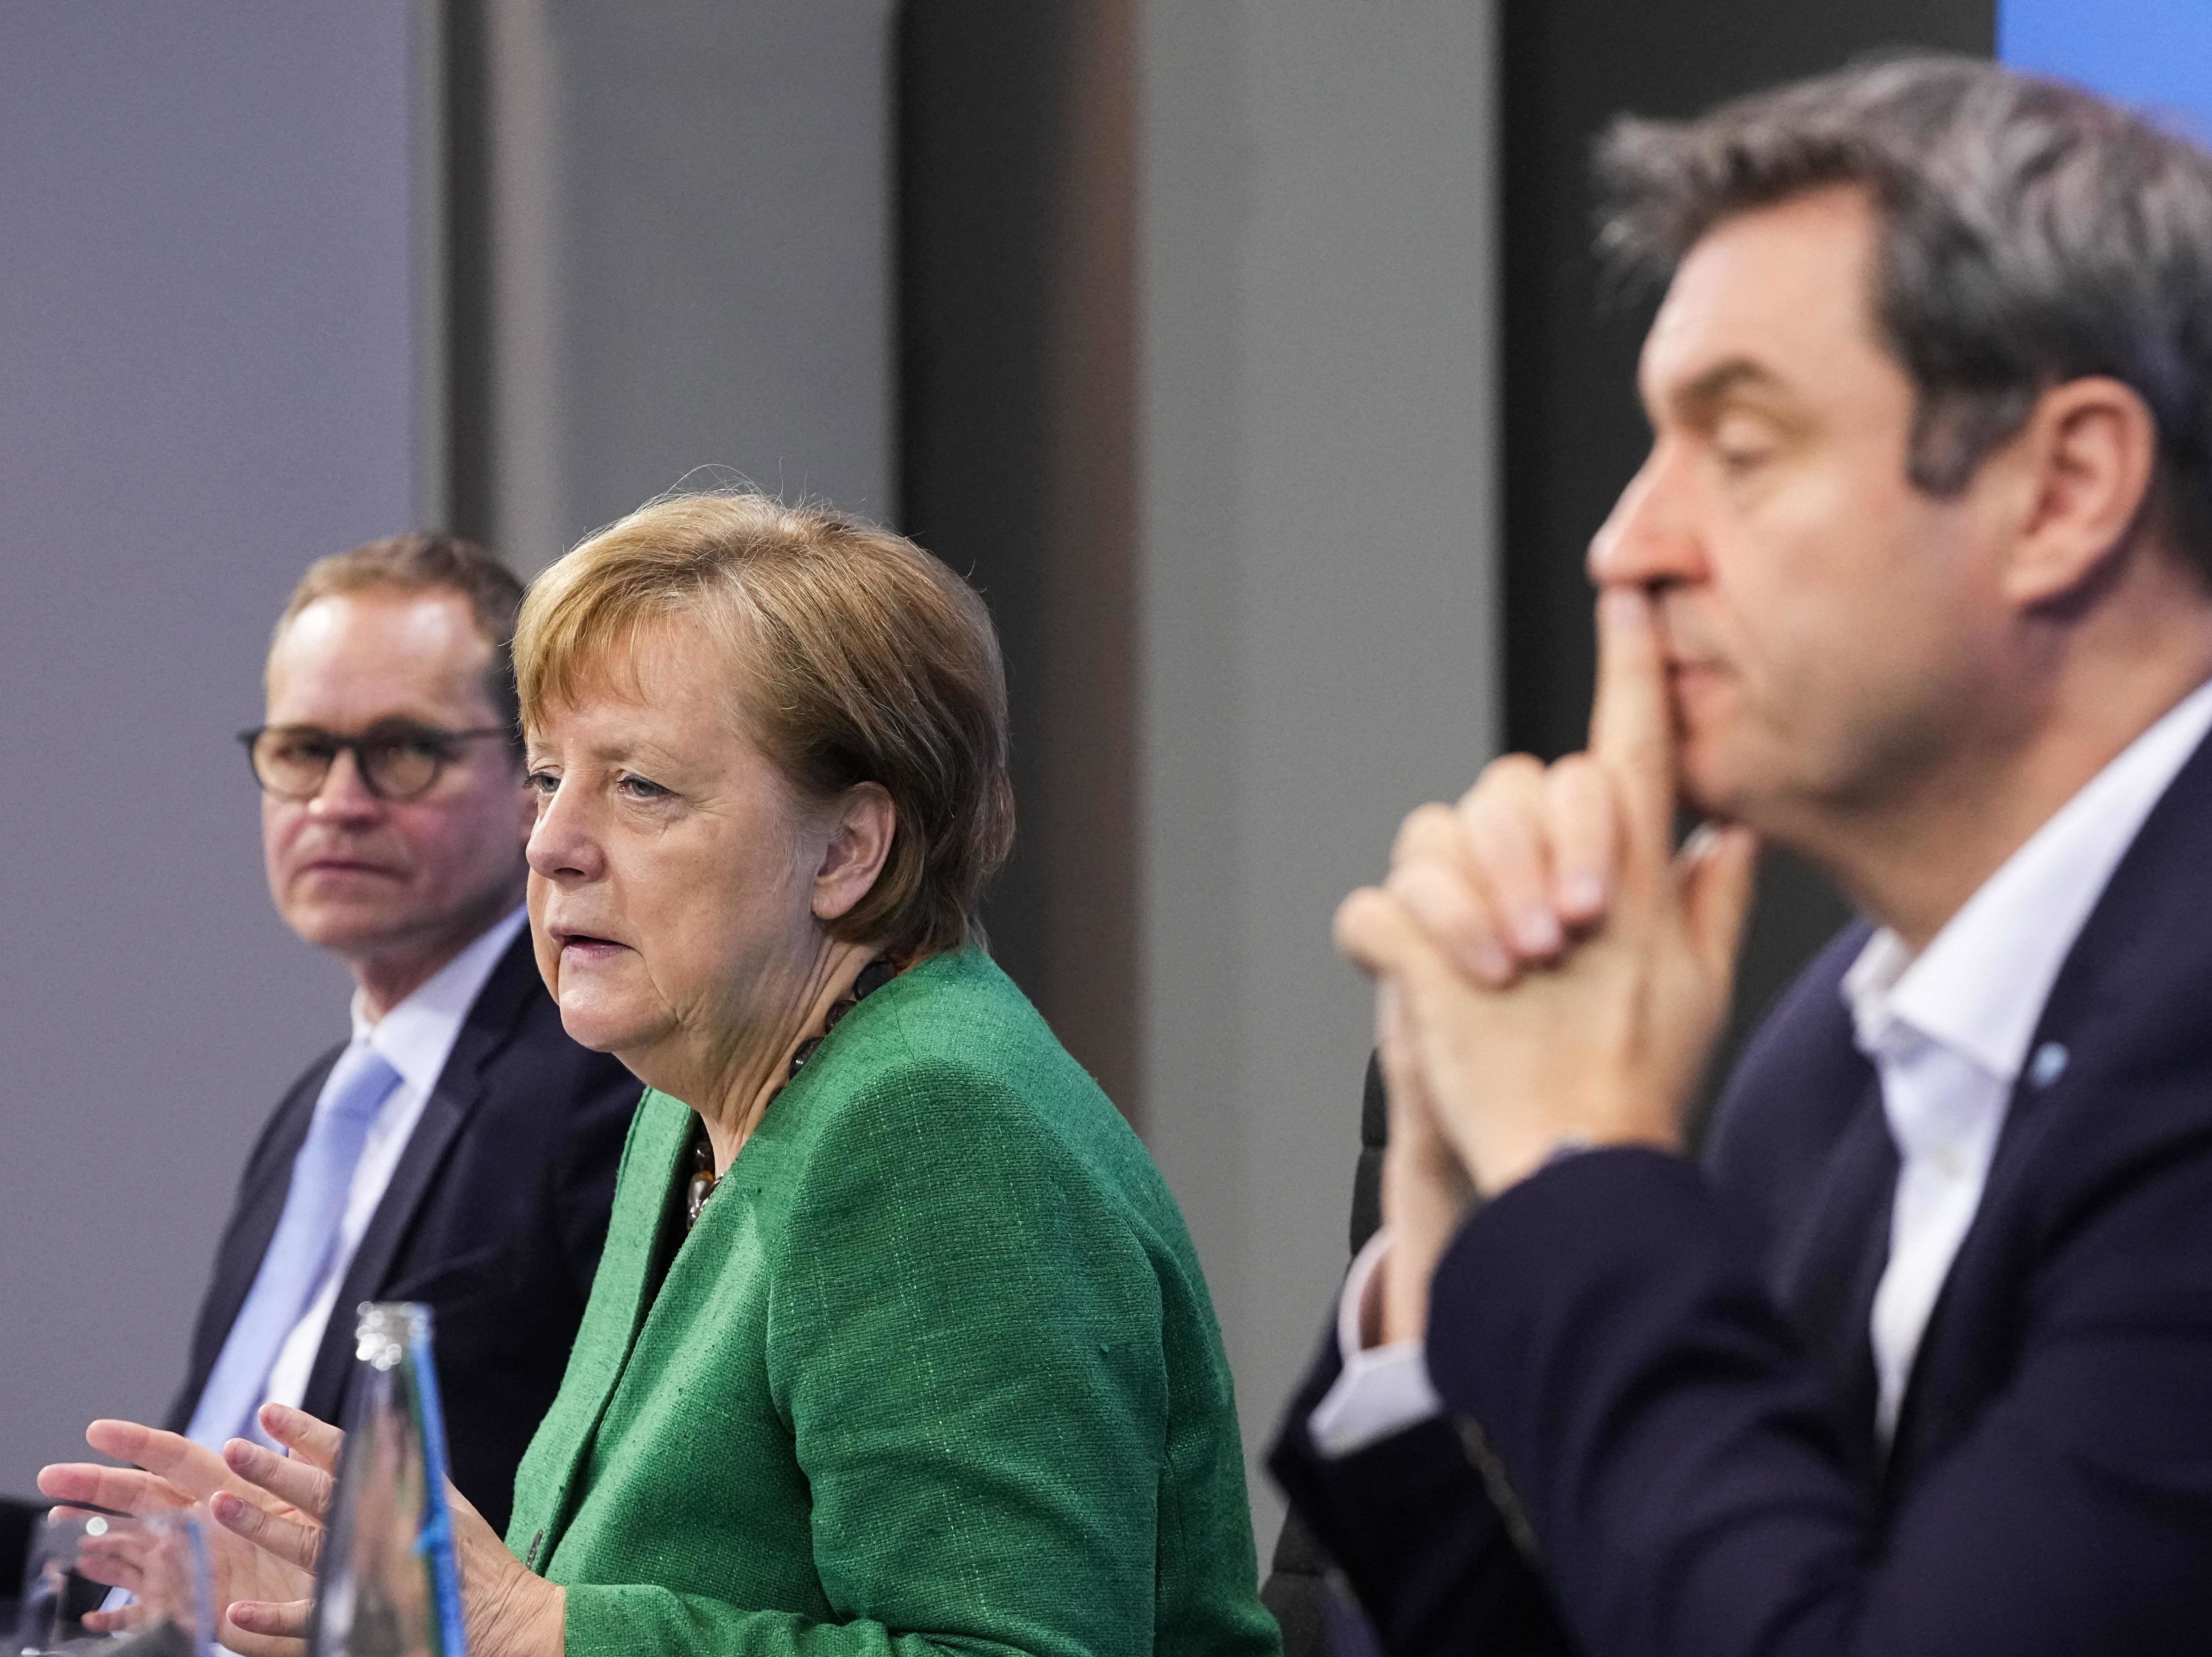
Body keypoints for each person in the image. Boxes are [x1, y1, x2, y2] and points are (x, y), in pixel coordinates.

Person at [1271, 57, 2212, 1656]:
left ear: (2062, 490)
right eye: (1652, 444)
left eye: (1742, 444)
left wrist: (1580, 1165)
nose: (1626, 541)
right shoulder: (1832, 1047)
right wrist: (1447, 1236)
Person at [46, 494, 1282, 1657]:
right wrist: (371, 1610)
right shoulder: (691, 1095)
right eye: (546, 779)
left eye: (639, 786)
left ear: (847, 849)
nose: (553, 845)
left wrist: (533, 1627)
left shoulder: (932, 1124)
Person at [161, 534, 639, 1536]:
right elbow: (188, 1532)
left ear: (532, 786)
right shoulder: (317, 1112)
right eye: (301, 751)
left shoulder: (601, 1078)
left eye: (403, 751)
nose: (337, 804)